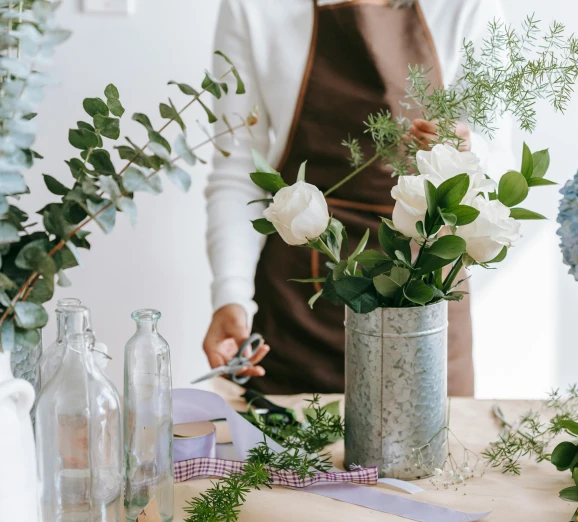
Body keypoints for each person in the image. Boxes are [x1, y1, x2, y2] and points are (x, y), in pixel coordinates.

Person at [203, 0, 515, 397]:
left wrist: (466, 148)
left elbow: (500, 164)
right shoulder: (254, 8)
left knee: (433, 455)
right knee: (287, 458)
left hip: (426, 295)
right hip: (301, 305)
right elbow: (237, 172)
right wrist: (229, 297)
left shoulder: (468, 6)